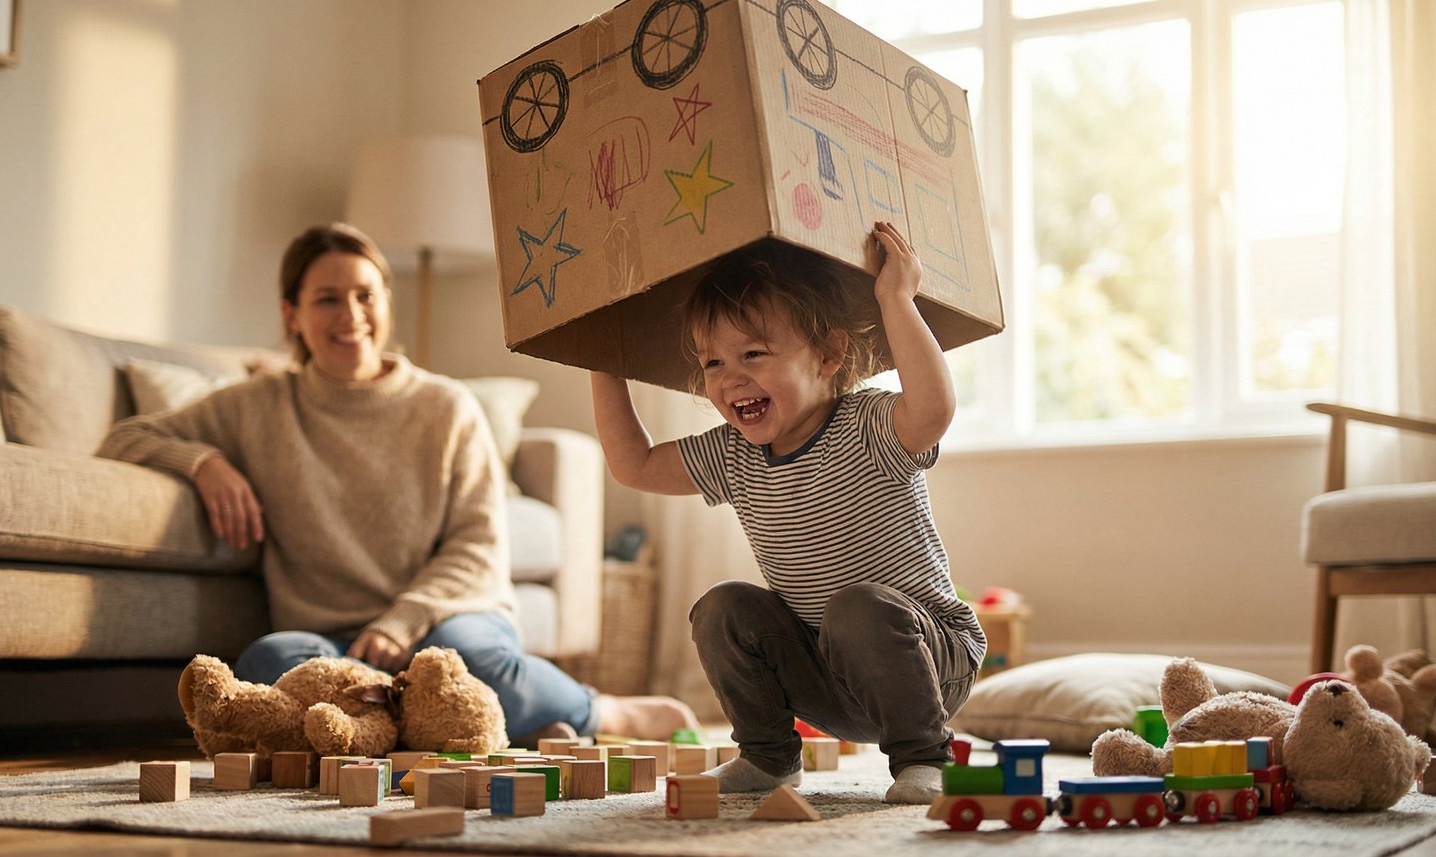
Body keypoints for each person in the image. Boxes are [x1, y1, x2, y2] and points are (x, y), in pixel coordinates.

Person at [98, 222, 697, 746]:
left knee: (475, 663)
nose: (350, 315)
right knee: (270, 662)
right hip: (333, 637)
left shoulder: (446, 406)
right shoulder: (256, 405)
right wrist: (205, 463)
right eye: (327, 299)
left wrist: (402, 622)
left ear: (387, 300)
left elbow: (477, 544)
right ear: (292, 315)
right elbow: (126, 438)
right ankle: (442, 723)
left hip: (445, 615)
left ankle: (599, 710)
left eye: (365, 295)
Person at [588, 222, 985, 804]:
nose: (731, 379)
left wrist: (896, 298)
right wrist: (604, 361)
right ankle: (769, 756)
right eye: (713, 363)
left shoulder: (866, 424)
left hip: (928, 660)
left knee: (857, 605)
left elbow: (931, 410)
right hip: (828, 671)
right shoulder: (734, 453)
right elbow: (637, 464)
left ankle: (925, 757)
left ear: (827, 354)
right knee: (723, 607)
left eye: (753, 353)